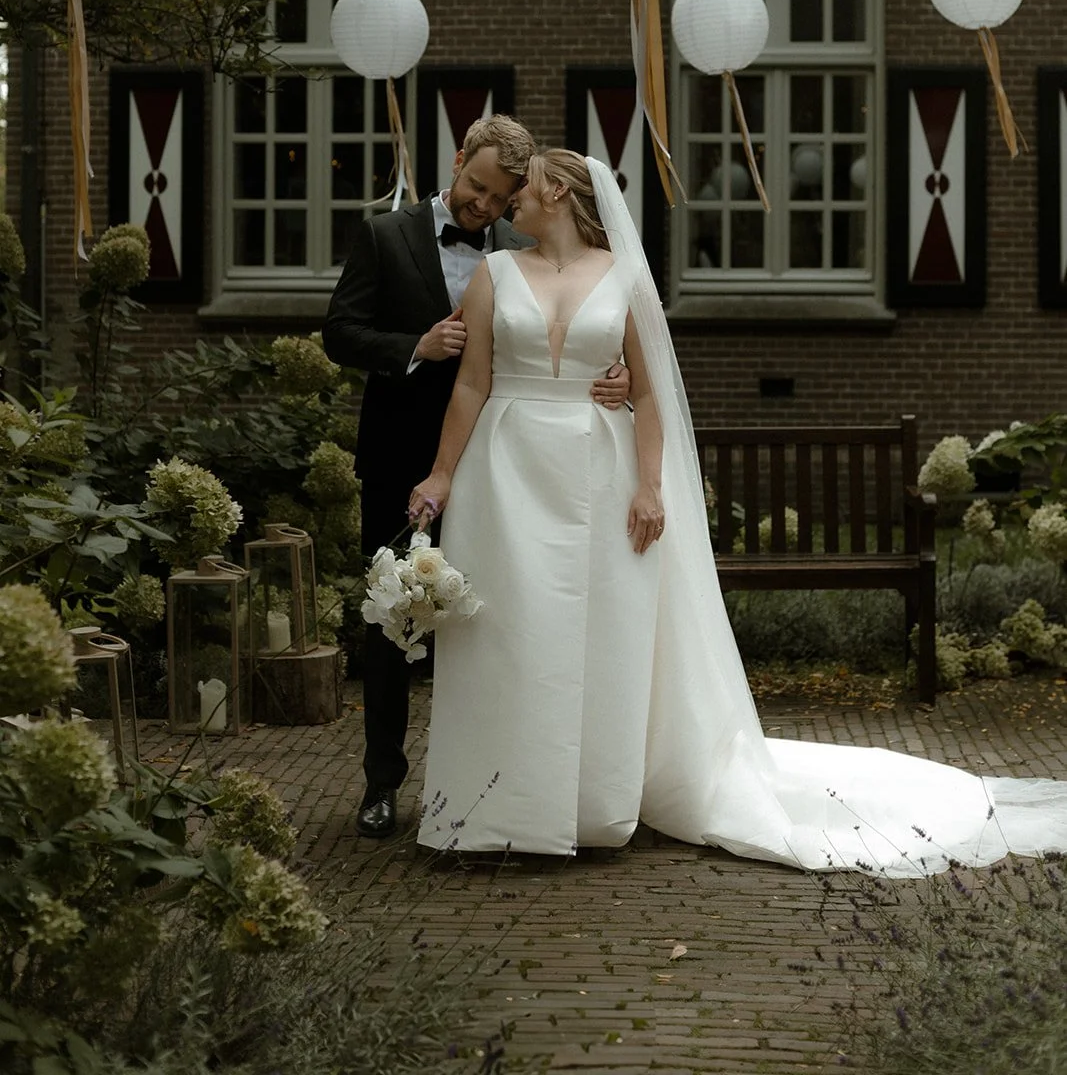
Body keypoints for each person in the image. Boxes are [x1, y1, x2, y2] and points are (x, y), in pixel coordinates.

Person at [409, 150, 1067, 875]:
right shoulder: (492, 275)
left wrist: (650, 486)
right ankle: (496, 809)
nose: (507, 204)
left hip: (599, 471)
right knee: (507, 632)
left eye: (522, 192)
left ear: (558, 193)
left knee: (599, 633)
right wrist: (441, 475)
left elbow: (651, 393)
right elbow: (469, 386)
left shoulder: (624, 277)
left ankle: (585, 807)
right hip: (504, 472)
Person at [322, 119, 630, 839]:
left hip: (503, 467)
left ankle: (501, 780)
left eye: (498, 201)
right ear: (456, 161)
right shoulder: (383, 236)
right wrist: (414, 346)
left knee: (501, 618)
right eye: (476, 189)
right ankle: (381, 784)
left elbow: (568, 325)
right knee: (393, 621)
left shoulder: (518, 249)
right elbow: (339, 331)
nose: (483, 209)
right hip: (405, 456)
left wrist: (607, 372)